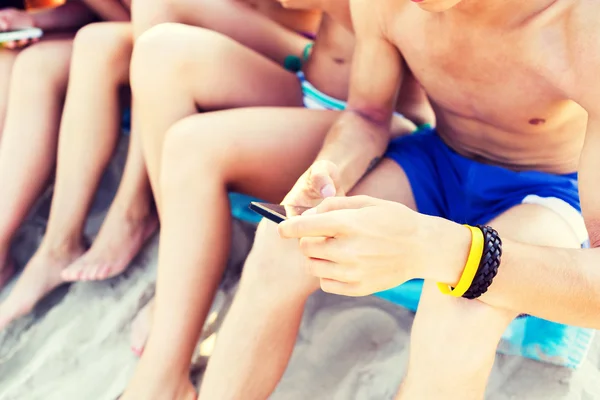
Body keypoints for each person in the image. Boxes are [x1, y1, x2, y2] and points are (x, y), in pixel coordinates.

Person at [192, 0, 600, 399]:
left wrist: (453, 251)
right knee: (282, 243)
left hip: (549, 189)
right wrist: (330, 169)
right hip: (438, 159)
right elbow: (367, 114)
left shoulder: (583, 25)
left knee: (458, 312)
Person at [119, 0, 432, 397]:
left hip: (385, 126)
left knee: (192, 147)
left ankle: (163, 376)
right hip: (316, 85)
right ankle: (175, 275)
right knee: (160, 49)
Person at [0, 0, 322, 332]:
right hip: (195, 33)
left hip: (289, 51)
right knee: (59, 56)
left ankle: (134, 212)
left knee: (135, 30)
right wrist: (40, 18)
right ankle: (54, 244)